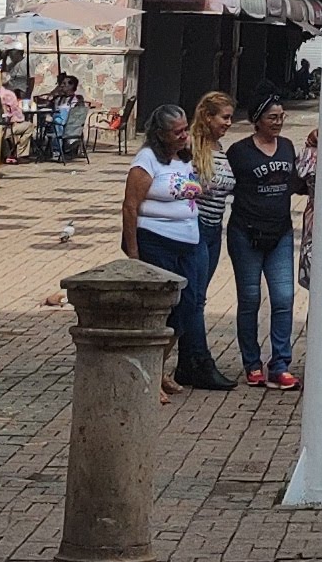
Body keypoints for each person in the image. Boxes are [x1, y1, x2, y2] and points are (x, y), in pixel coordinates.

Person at [121, 105, 222, 395]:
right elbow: (130, 207)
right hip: (157, 240)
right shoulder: (147, 160)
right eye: (177, 132)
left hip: (189, 240)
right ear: (161, 134)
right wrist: (134, 255)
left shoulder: (184, 158)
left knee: (188, 307)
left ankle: (158, 366)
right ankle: (148, 376)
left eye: (184, 129)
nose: (183, 136)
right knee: (162, 309)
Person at [224, 93, 309, 386]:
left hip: (280, 233)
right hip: (245, 233)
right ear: (257, 120)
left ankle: (281, 363)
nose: (278, 122)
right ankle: (252, 363)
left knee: (284, 298)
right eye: (272, 117)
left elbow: (296, 183)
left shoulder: (286, 147)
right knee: (249, 298)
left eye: (282, 117)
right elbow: (225, 184)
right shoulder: (238, 151)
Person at [179, 91, 240, 390]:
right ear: (207, 117)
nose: (228, 123)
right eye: (224, 117)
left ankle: (185, 363)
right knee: (195, 298)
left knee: (198, 296)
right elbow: (176, 182)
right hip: (195, 227)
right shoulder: (190, 146)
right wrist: (193, 187)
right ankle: (200, 361)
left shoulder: (220, 147)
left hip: (216, 228)